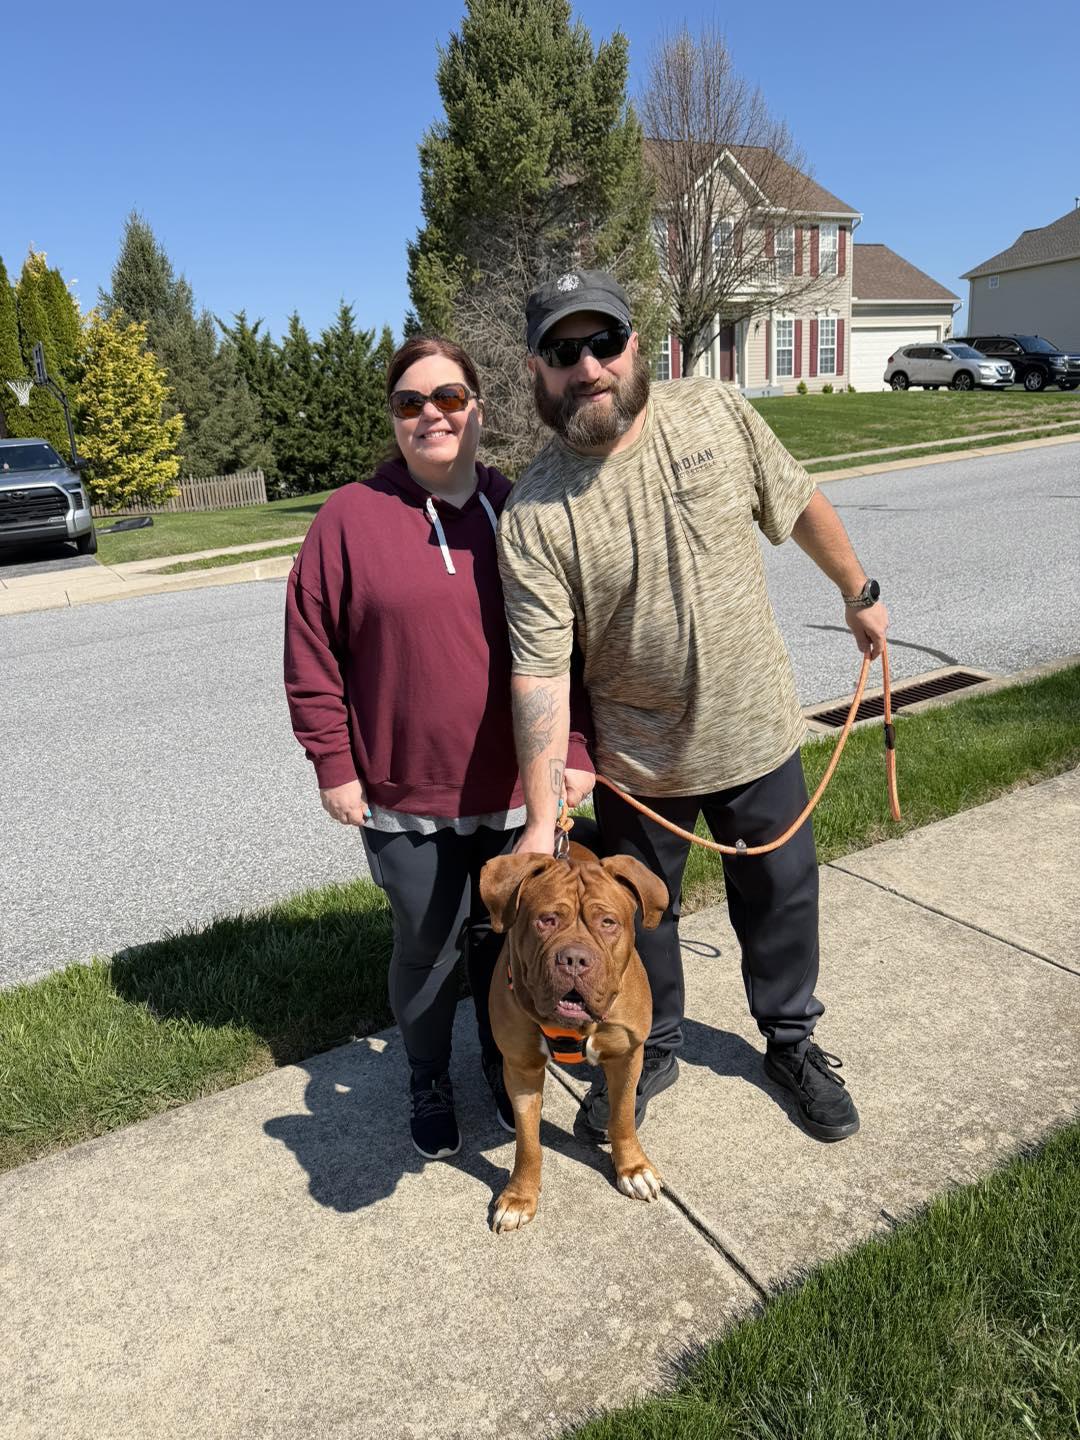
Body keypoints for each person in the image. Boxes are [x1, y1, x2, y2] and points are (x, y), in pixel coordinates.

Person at [497, 270, 889, 1144]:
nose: (589, 366)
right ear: (537, 371)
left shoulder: (714, 412)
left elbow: (797, 501)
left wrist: (858, 590)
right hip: (641, 768)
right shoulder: (531, 514)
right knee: (637, 915)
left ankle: (790, 1041)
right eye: (566, 352)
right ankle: (651, 1042)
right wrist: (539, 814)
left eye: (605, 343)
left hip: (756, 733)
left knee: (782, 897)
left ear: (637, 346)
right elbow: (539, 673)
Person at [283, 336, 593, 1162]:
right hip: (399, 793)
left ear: (478, 407)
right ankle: (427, 1074)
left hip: (514, 789)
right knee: (425, 948)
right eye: (411, 403)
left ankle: (502, 1056)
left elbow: (571, 645)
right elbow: (311, 651)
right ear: (393, 418)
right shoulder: (347, 519)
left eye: (449, 398)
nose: (431, 415)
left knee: (505, 941)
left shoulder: (520, 509)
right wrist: (333, 764)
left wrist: (575, 749)